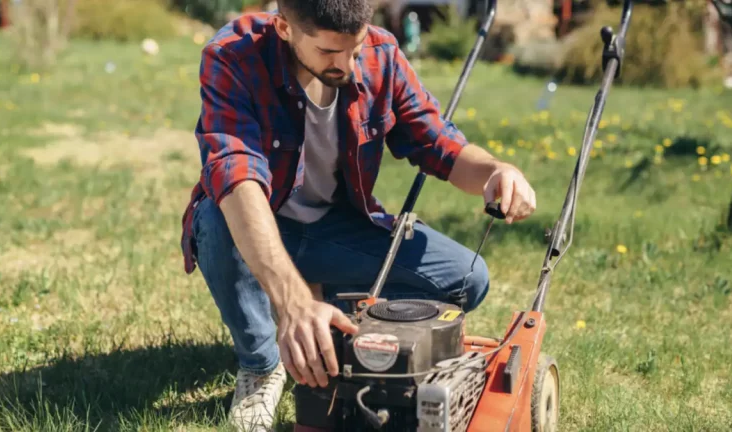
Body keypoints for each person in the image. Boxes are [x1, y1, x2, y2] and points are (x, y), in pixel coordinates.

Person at [179, 0, 537, 430]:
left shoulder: (381, 54)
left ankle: (326, 308)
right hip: (253, 222)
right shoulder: (233, 56)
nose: (347, 65)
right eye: (329, 52)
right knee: (216, 222)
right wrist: (292, 305)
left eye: (356, 47)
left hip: (334, 230)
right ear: (283, 28)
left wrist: (495, 171)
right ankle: (262, 363)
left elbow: (438, 143)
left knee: (467, 279)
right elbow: (237, 178)